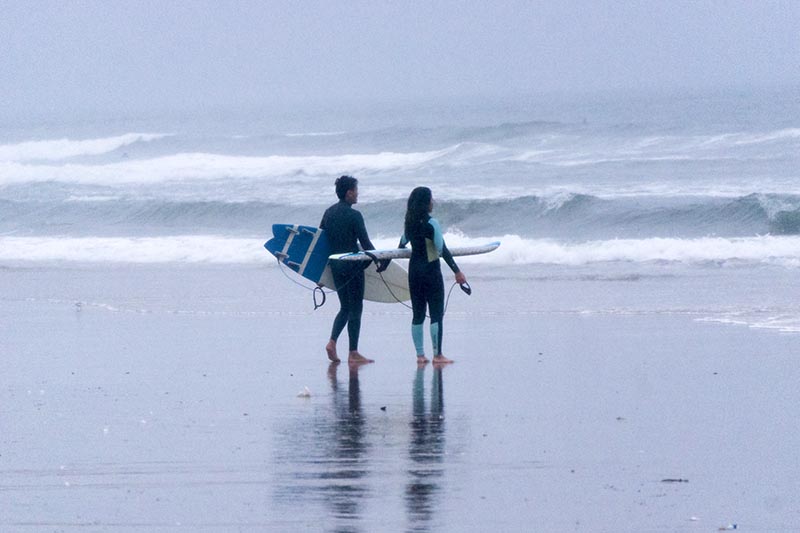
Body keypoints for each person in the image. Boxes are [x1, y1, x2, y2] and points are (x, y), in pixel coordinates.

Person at [399, 186, 466, 366]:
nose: (432, 202)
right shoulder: (432, 223)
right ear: (426, 202)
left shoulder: (409, 222)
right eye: (431, 199)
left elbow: (402, 244)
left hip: (413, 271)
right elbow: (441, 249)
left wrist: (384, 263)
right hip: (431, 272)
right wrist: (457, 271)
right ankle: (437, 355)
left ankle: (420, 356)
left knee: (418, 314)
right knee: (436, 313)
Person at [320, 175, 377, 365]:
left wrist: (320, 273)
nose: (358, 194)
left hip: (336, 266)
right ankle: (353, 352)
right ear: (349, 193)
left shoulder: (328, 213)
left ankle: (332, 342)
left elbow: (320, 242)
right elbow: (366, 244)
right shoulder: (354, 215)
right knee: (356, 308)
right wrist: (382, 259)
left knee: (345, 307)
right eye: (356, 190)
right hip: (353, 265)